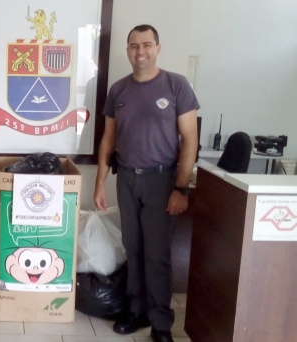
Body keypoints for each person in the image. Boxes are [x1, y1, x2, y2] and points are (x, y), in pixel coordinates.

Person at [93, 25, 199, 342]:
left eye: (147, 45)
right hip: (126, 178)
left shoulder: (175, 85)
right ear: (128, 50)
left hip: (161, 180)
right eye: (134, 46)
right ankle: (135, 312)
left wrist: (180, 188)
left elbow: (190, 139)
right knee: (134, 250)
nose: (141, 51)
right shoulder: (118, 90)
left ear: (158, 48)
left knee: (157, 256)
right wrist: (100, 184)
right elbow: (108, 139)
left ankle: (161, 324)